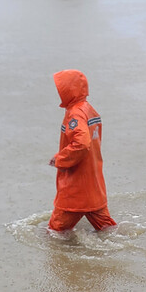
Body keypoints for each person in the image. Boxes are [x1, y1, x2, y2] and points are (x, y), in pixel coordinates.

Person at [47, 69, 116, 232]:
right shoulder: (89, 110)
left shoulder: (75, 114)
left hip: (75, 189)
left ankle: (58, 258)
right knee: (108, 229)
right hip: (94, 186)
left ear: (68, 90)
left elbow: (82, 143)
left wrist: (60, 159)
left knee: (55, 232)